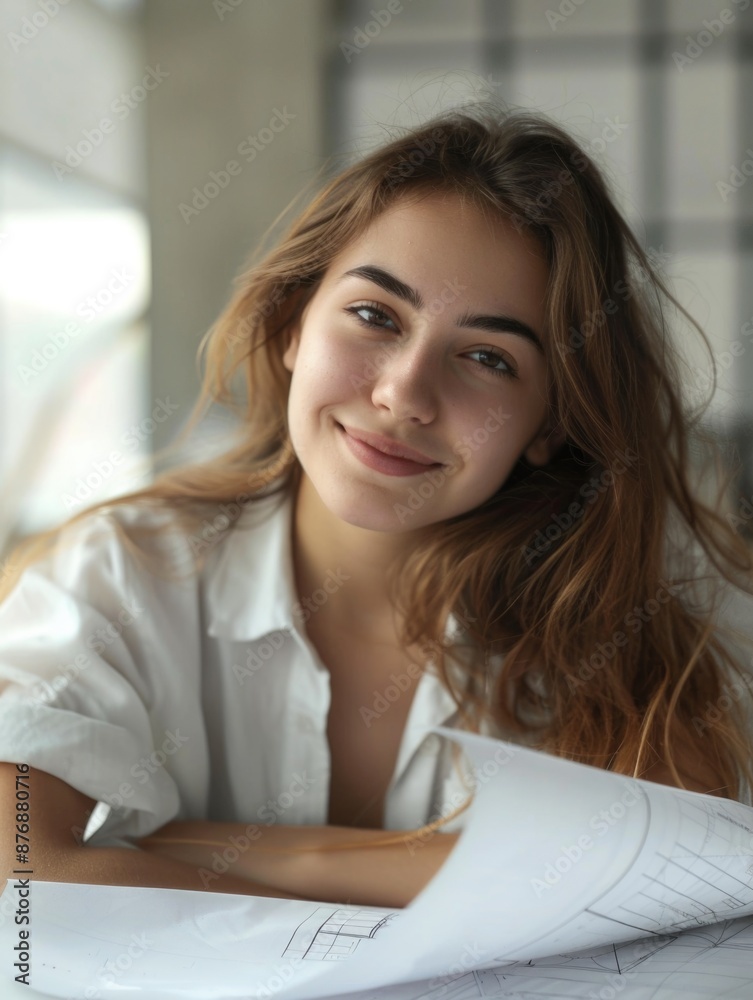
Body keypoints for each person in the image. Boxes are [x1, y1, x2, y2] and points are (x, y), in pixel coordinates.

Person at [1, 99, 753, 910]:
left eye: (487, 358)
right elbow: (17, 861)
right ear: (292, 325)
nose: (403, 393)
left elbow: (660, 890)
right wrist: (435, 867)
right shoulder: (123, 570)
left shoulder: (624, 633)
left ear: (550, 423)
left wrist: (218, 853)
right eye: (373, 315)